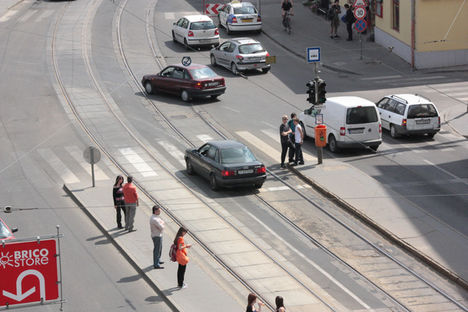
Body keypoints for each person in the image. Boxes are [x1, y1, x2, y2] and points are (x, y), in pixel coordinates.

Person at [150, 204, 165, 269]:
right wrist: (162, 224)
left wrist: (162, 223)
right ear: (155, 211)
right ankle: (156, 264)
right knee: (157, 249)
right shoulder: (154, 219)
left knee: (160, 248)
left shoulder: (156, 217)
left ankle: (158, 260)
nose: (160, 212)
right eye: (159, 211)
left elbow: (162, 223)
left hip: (158, 235)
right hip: (156, 236)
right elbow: (161, 227)